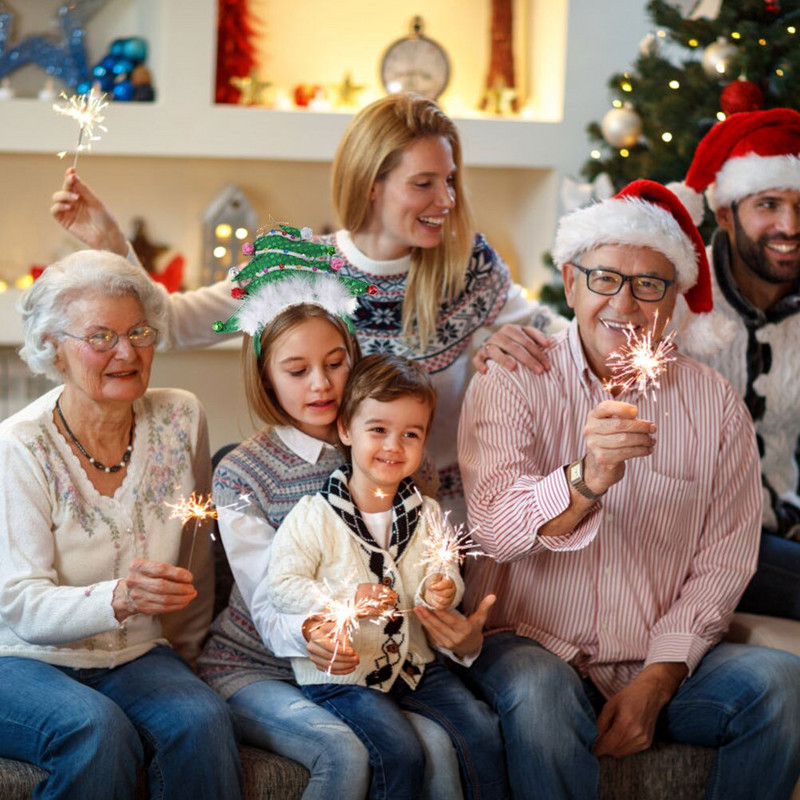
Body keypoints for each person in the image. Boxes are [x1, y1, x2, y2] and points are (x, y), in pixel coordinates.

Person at [49, 92, 564, 525]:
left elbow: (563, 341)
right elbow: (174, 325)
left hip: (444, 524)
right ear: (372, 185)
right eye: (423, 183)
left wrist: (508, 342)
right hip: (328, 520)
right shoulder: (298, 266)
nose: (446, 200)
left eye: (450, 180)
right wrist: (112, 243)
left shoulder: (469, 268)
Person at [457, 180, 800, 799]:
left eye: (649, 284)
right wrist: (584, 481)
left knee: (780, 685)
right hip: (530, 645)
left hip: (649, 656)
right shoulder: (511, 378)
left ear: (674, 299)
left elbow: (724, 562)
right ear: (570, 283)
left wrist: (659, 678)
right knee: (538, 692)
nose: (625, 302)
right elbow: (493, 530)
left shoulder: (714, 404)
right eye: (605, 278)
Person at [195, 227, 480, 800]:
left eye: (335, 363)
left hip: (366, 665)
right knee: (346, 750)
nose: (322, 384)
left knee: (443, 746)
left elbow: (422, 569)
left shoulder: (391, 449)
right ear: (266, 376)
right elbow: (269, 602)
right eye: (297, 370)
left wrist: (455, 625)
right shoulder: (242, 474)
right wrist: (313, 631)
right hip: (258, 667)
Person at [0, 251, 241, 799]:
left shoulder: (181, 417)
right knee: (97, 729)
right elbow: (20, 604)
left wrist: (187, 659)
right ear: (53, 349)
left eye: (138, 331)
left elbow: (195, 557)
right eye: (101, 337)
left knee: (203, 720)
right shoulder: (19, 446)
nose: (127, 352)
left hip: (136, 656)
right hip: (19, 660)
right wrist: (120, 597)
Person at [267, 352, 508, 800]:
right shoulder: (313, 516)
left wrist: (442, 588)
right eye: (378, 429)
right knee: (398, 750)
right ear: (346, 430)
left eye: (410, 434)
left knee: (480, 727)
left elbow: (445, 568)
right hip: (343, 677)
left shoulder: (428, 512)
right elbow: (283, 587)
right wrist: (345, 598)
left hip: (415, 666)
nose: (394, 446)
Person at [675, 107, 800, 621]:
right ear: (725, 213)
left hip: (781, 522)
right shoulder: (675, 296)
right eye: (768, 204)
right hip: (690, 537)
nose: (789, 226)